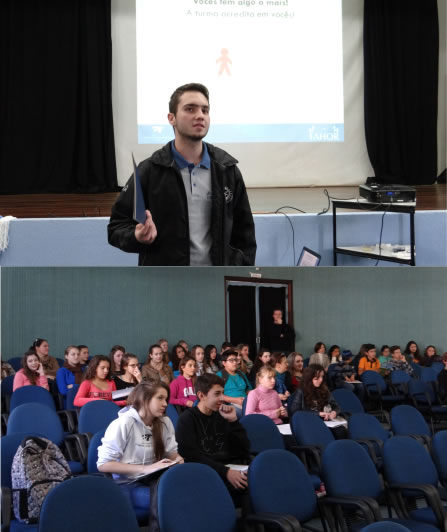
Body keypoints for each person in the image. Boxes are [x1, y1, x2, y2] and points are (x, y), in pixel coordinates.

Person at [107, 82, 256, 266]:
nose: (200, 115)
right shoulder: (150, 171)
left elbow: (245, 234)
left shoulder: (227, 170)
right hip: (166, 280)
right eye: (190, 109)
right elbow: (117, 226)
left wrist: (239, 273)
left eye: (205, 110)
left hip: (216, 279)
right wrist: (136, 236)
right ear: (172, 118)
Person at [97, 382, 183, 515]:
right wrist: (146, 468)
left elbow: (172, 453)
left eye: (166, 399)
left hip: (155, 480)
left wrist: (179, 462)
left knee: (191, 491)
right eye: (160, 398)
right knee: (174, 500)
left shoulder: (164, 422)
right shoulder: (123, 423)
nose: (165, 404)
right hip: (128, 484)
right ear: (144, 399)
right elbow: (103, 464)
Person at [175, 374, 250, 501]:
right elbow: (191, 457)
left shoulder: (222, 415)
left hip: (229, 469)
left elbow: (243, 450)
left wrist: (233, 421)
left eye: (222, 393)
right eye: (217, 394)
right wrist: (225, 472)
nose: (222, 398)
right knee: (250, 491)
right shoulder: (187, 419)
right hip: (206, 475)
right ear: (201, 395)